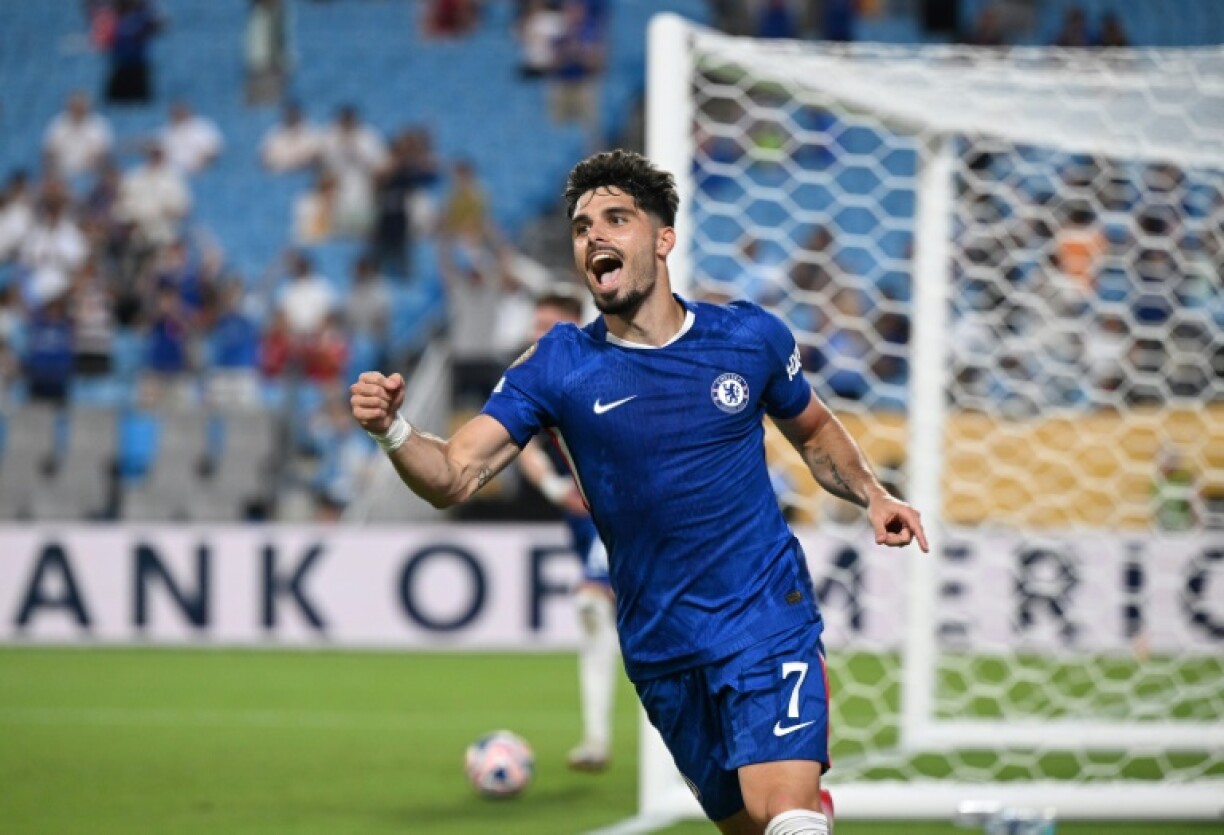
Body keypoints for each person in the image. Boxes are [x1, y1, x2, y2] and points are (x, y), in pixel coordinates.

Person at [350, 150, 927, 835]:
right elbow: (452, 475)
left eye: (616, 218)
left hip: (764, 617)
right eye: (581, 225)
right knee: (752, 825)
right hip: (661, 645)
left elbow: (815, 430)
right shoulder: (560, 363)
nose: (593, 234)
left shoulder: (747, 337)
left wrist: (872, 494)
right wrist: (393, 430)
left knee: (787, 814)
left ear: (662, 238)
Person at [514, 289, 619, 772]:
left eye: (547, 325)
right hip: (581, 520)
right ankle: (597, 739)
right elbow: (520, 445)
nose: (537, 335)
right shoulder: (533, 377)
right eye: (534, 325)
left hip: (624, 516)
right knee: (600, 622)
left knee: (591, 604)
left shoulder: (604, 368)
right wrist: (558, 490)